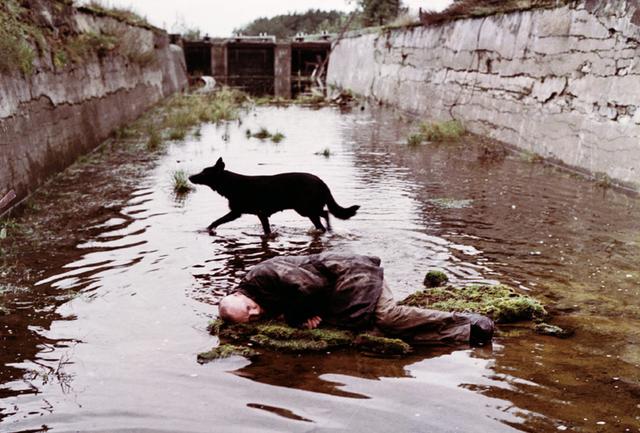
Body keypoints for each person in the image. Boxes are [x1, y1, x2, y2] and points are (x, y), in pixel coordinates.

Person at [218, 253, 495, 346]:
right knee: (374, 331)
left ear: (236, 294)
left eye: (251, 309)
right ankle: (466, 336)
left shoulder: (262, 275)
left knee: (386, 318)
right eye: (251, 318)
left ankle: (467, 321)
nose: (256, 314)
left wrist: (298, 316)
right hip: (341, 291)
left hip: (354, 274)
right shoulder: (255, 298)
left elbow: (309, 287)